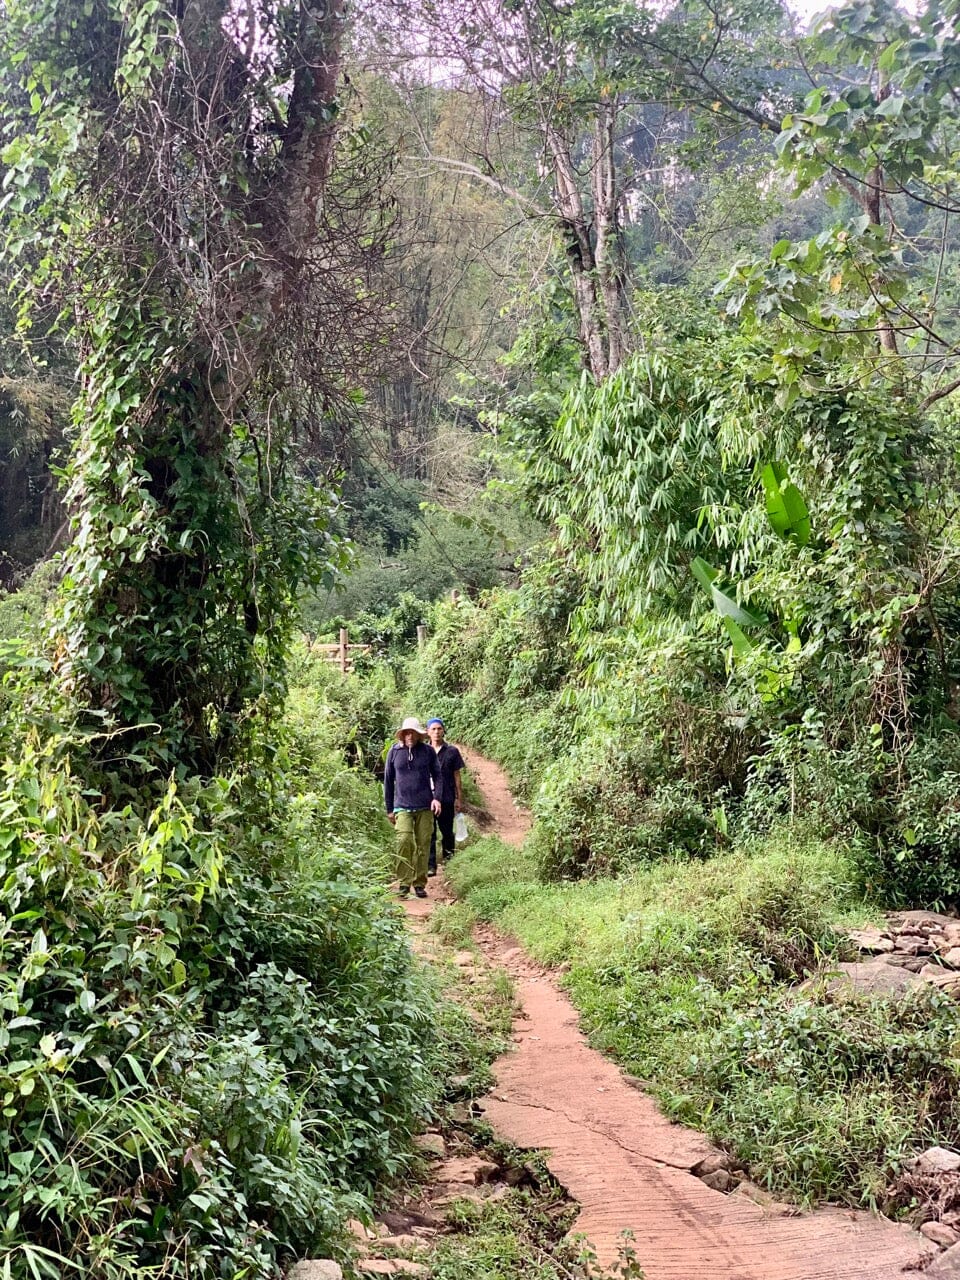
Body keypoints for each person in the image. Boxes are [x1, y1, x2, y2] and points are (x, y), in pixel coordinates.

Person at [383, 717, 441, 899]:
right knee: (404, 841)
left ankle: (419, 882)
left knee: (423, 845)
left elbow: (438, 776)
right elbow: (388, 781)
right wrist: (389, 809)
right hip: (402, 806)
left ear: (418, 735)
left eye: (413, 733)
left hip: (425, 806)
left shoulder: (428, 751)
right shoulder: (394, 752)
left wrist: (437, 798)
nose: (409, 736)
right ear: (402, 734)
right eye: (406, 733)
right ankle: (404, 882)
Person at [426, 717, 465, 877]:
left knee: (447, 832)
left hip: (447, 798)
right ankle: (431, 865)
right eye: (433, 729)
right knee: (430, 833)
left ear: (443, 731)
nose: (436, 732)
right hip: (427, 798)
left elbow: (457, 776)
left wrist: (458, 798)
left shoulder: (452, 751)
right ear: (428, 732)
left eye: (439, 729)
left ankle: (449, 861)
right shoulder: (424, 751)